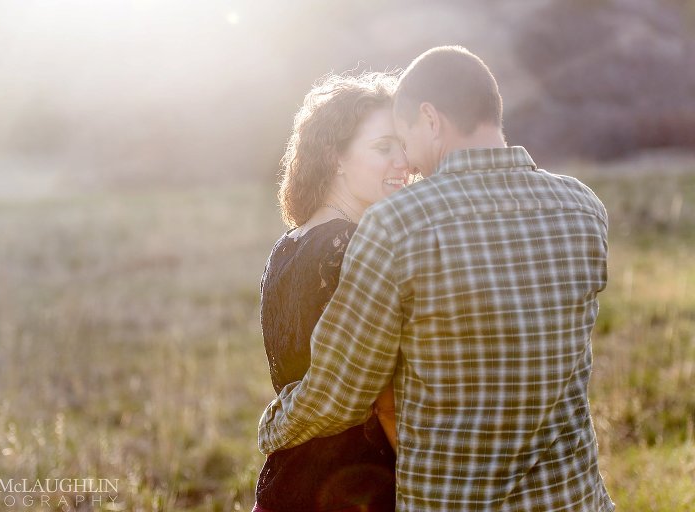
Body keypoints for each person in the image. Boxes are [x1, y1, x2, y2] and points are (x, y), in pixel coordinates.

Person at [259, 46, 615, 511]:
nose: (408, 163)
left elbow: (343, 393)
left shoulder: (398, 224)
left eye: (404, 140)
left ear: (429, 119)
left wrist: (272, 428)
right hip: (573, 498)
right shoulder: (584, 208)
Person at [254, 72, 410, 512]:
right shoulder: (355, 246)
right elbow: (385, 401)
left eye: (404, 145)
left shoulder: (286, 245)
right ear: (334, 156)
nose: (404, 162)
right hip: (357, 483)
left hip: (287, 476)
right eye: (384, 147)